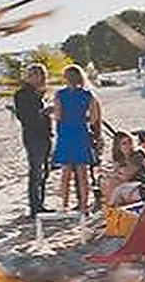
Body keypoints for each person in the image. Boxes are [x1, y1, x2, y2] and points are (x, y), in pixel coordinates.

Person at [50, 64, 100, 214]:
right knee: (82, 172)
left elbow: (58, 116)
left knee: (65, 173)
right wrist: (81, 118)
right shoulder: (87, 95)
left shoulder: (60, 94)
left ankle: (64, 205)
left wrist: (53, 114)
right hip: (80, 132)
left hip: (65, 133)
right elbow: (93, 118)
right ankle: (84, 206)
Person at [13, 65, 53, 216]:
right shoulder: (22, 94)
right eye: (38, 75)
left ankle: (39, 205)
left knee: (44, 171)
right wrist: (43, 112)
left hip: (44, 135)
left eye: (43, 75)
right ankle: (35, 207)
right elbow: (24, 118)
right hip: (33, 137)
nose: (42, 78)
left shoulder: (38, 93)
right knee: (36, 171)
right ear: (30, 77)